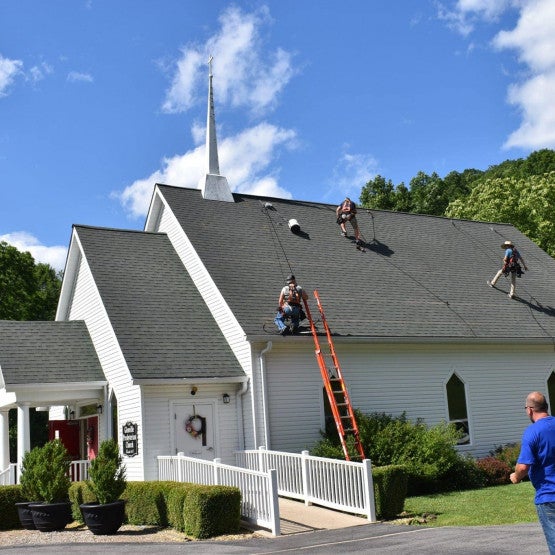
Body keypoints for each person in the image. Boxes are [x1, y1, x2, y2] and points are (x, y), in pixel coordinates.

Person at [510, 391, 555, 554]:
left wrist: (515, 476)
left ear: (529, 410)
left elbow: (523, 467)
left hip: (549, 496)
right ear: (546, 407)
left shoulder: (533, 432)